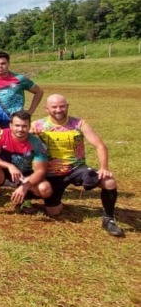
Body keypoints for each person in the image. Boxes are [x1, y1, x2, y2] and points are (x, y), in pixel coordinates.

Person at [32, 94, 125, 236]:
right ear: (46, 109)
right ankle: (36, 200)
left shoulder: (79, 124)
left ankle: (108, 219)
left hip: (77, 169)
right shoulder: (38, 125)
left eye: (62, 106)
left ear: (67, 106)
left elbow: (100, 146)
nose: (58, 109)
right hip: (52, 173)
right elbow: (18, 135)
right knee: (54, 212)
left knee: (109, 182)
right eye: (54, 107)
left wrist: (104, 168)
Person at [0, 111, 52, 219]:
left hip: (26, 176)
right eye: (17, 125)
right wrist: (9, 166)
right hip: (3, 173)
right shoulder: (0, 134)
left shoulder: (37, 143)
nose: (20, 129)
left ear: (29, 126)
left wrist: (25, 186)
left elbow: (41, 171)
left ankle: (26, 200)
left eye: (24, 126)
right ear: (10, 125)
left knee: (45, 189)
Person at [0, 51, 44, 128]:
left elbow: (39, 92)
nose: (0, 66)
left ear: (8, 63)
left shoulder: (20, 79)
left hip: (16, 121)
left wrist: (30, 111)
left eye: (3, 63)